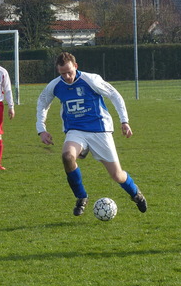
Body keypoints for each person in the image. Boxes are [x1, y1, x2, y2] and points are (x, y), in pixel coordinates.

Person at [36, 52, 147, 216]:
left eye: (69, 72)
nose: (66, 76)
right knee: (67, 156)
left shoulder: (91, 80)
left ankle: (136, 194)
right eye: (62, 73)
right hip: (75, 130)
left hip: (99, 130)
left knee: (117, 175)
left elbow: (114, 95)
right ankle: (81, 197)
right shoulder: (55, 85)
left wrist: (124, 121)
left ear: (76, 66)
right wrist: (42, 129)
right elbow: (42, 103)